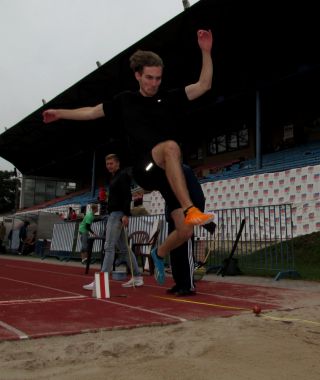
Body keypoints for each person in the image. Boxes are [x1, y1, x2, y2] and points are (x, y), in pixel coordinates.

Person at [43, 29, 215, 285]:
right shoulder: (125, 101)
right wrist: (61, 113)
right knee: (170, 147)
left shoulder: (168, 97)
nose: (154, 83)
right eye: (149, 78)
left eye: (158, 78)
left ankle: (158, 254)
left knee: (185, 231)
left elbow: (204, 85)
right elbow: (91, 112)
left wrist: (205, 51)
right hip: (145, 167)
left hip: (169, 176)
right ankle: (191, 209)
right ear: (137, 75)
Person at [83, 154, 143, 290]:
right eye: (107, 163)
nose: (109, 166)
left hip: (117, 215)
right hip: (115, 214)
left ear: (117, 163)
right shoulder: (114, 177)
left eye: (111, 163)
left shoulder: (122, 176)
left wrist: (125, 214)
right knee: (124, 248)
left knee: (109, 246)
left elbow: (127, 196)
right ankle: (138, 277)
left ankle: (101, 280)